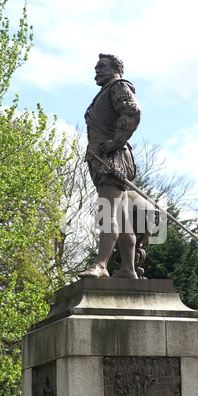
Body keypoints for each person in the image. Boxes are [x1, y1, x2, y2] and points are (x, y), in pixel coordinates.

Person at [78, 54, 141, 279]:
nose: (97, 71)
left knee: (107, 211)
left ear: (115, 68)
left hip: (112, 158)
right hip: (102, 158)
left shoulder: (119, 86)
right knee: (122, 217)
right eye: (96, 67)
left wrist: (115, 142)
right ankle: (128, 269)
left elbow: (132, 112)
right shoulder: (105, 91)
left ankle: (101, 264)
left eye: (102, 67)